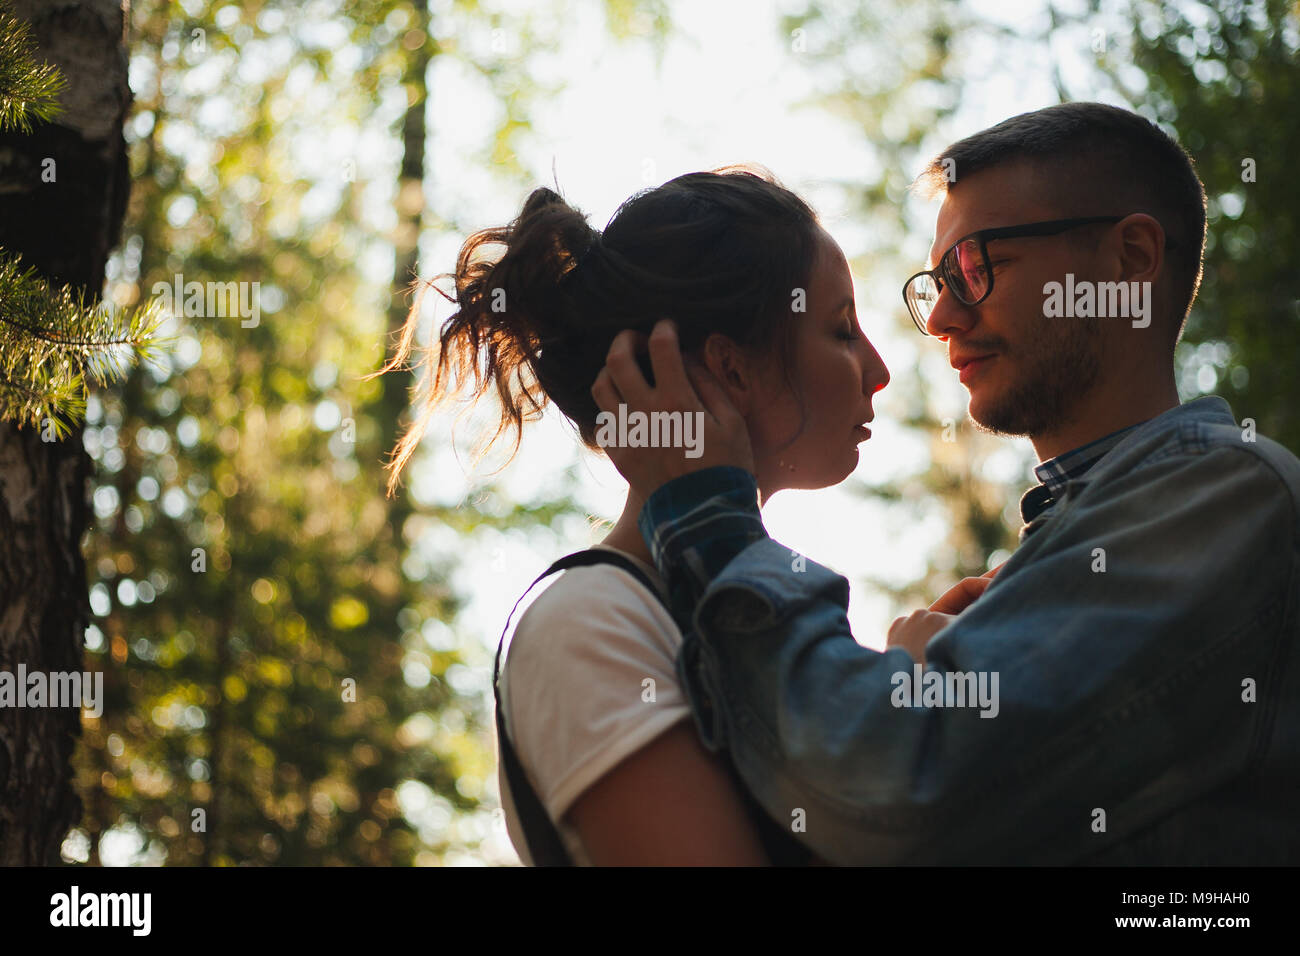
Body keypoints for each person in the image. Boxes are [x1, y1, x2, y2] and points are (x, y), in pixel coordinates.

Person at [591, 102, 1300, 864]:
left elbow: (895, 791)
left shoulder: (1230, 492)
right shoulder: (1083, 540)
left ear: (1128, 260)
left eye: (975, 267)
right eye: (936, 281)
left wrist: (708, 516)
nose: (941, 320)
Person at [377, 165, 899, 864]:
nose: (878, 367)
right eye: (840, 331)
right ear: (728, 369)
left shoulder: (745, 613)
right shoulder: (590, 621)